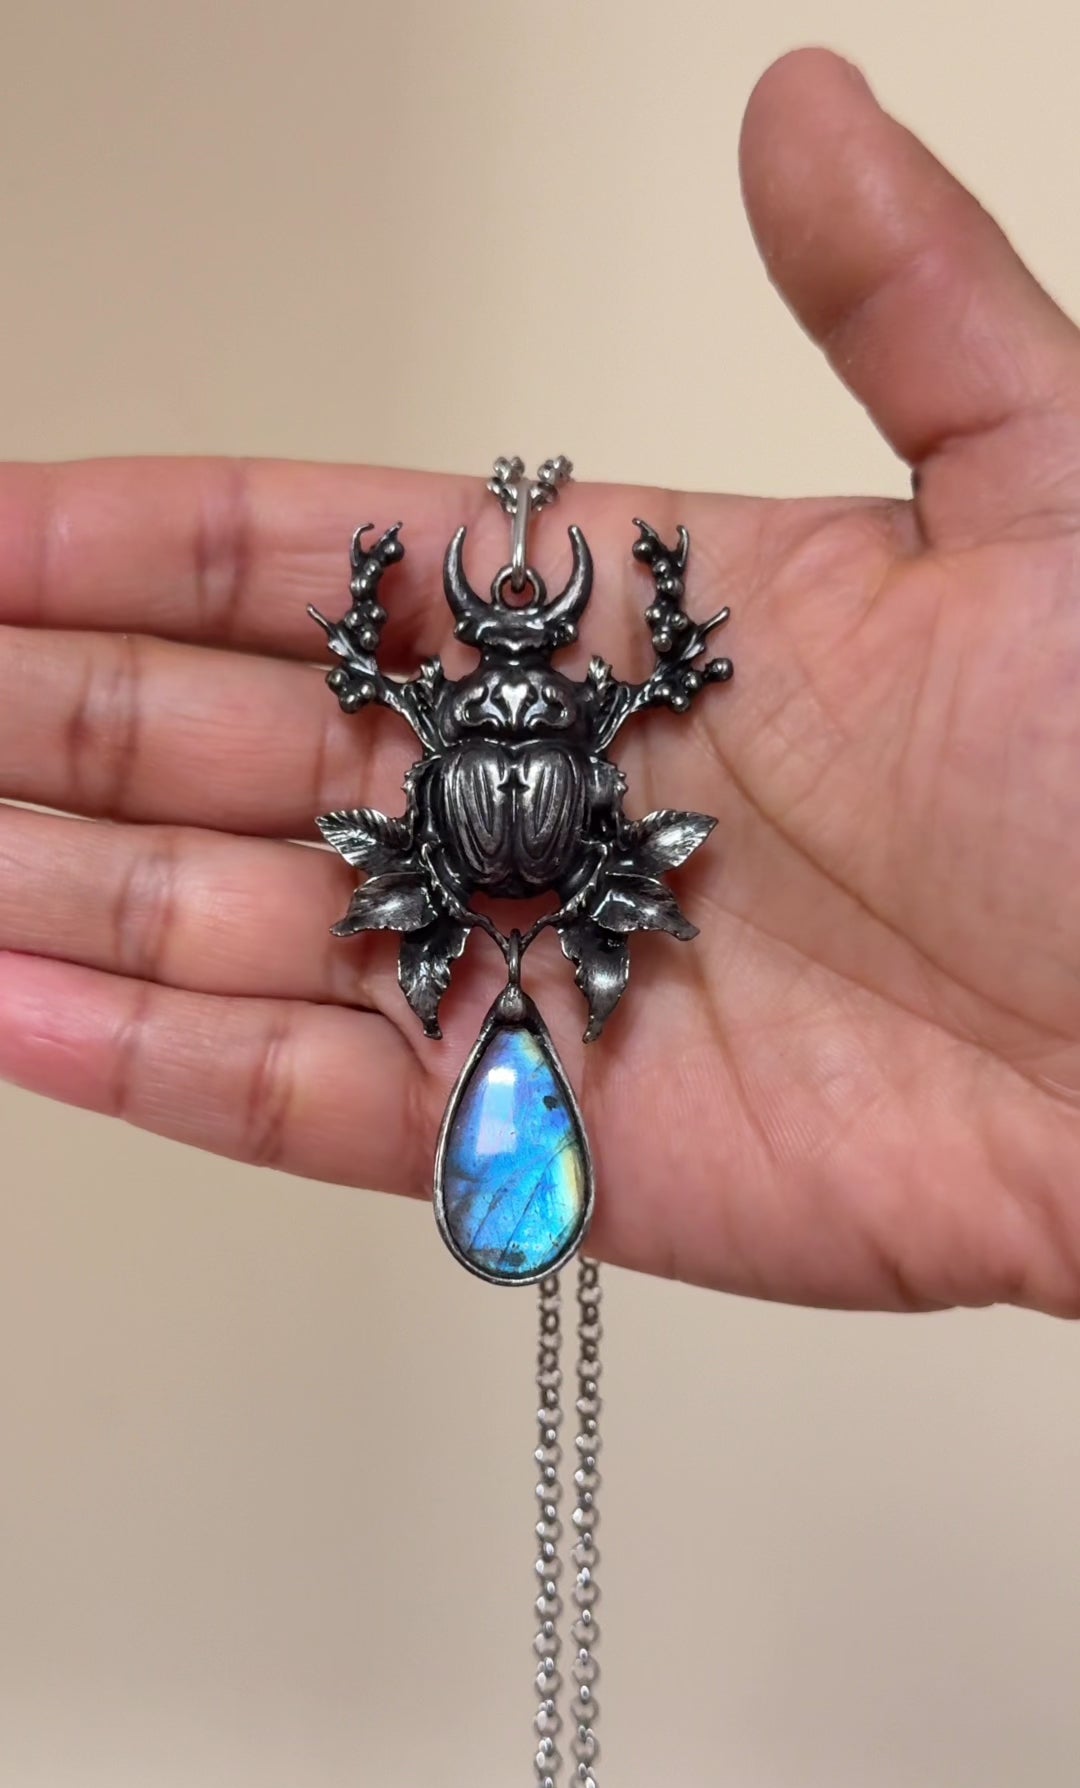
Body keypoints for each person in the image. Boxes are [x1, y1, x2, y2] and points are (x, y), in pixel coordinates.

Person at [0, 48, 1077, 1316]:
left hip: (509, 861)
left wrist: (417, 617)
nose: (515, 667)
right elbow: (569, 694)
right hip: (513, 861)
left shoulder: (494, 719)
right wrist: (415, 618)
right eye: (501, 649)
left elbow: (466, 693)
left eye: (529, 647)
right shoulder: (555, 719)